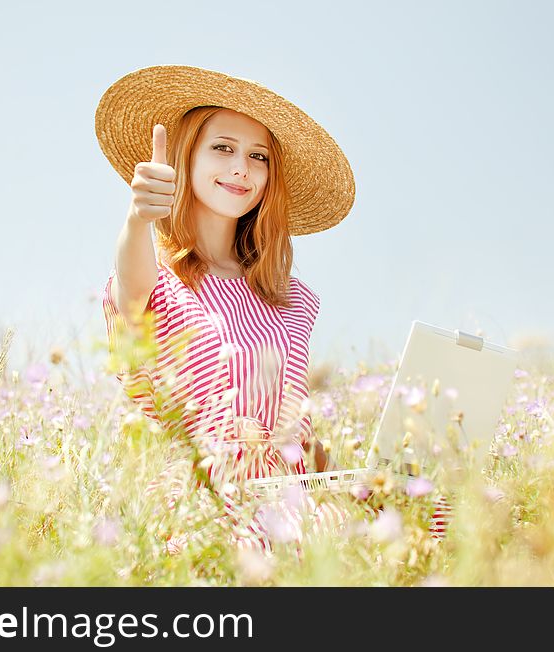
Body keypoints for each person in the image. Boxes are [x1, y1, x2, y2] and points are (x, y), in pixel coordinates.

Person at [94, 66, 445, 552]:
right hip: (202, 507)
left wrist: (344, 472)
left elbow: (302, 441)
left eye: (257, 156)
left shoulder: (290, 299)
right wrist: (138, 219)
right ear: (184, 157)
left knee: (430, 507)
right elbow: (131, 289)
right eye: (222, 148)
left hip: (288, 505)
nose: (241, 167)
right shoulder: (159, 280)